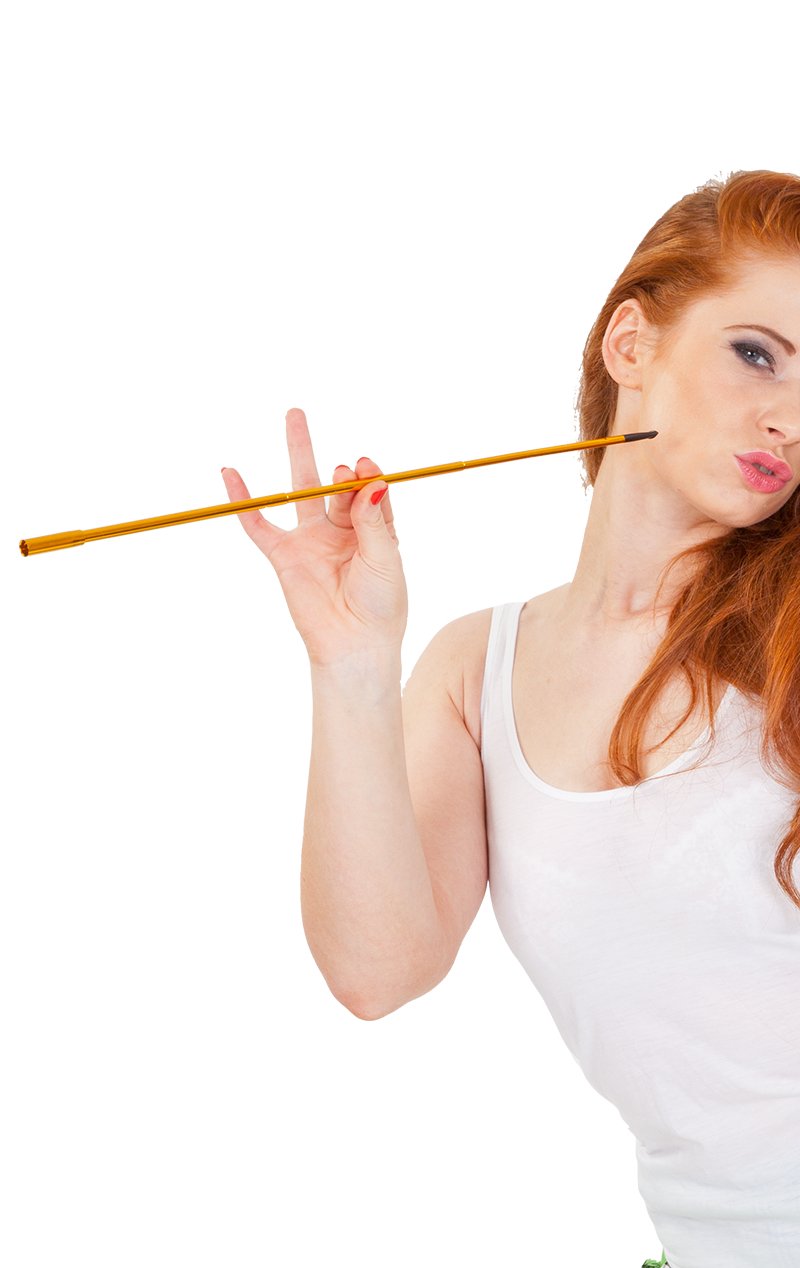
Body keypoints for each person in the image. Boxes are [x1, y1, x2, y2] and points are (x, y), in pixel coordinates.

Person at [220, 169, 800, 1268]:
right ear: (630, 343)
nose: (791, 416)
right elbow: (376, 971)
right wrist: (351, 661)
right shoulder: (473, 669)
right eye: (756, 353)